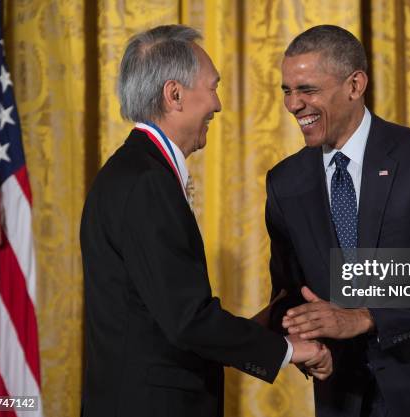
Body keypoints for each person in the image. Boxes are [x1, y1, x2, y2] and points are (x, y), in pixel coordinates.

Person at [80, 25, 331, 417]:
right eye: (212, 87)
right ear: (174, 95)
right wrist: (289, 349)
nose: (217, 104)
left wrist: (268, 327)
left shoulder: (134, 171)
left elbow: (160, 310)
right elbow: (187, 320)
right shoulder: (146, 182)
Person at [266, 25, 410, 417]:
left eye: (307, 90)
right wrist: (239, 337)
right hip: (344, 396)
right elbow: (290, 293)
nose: (293, 104)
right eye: (287, 90)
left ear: (355, 85)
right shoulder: (285, 182)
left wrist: (364, 318)